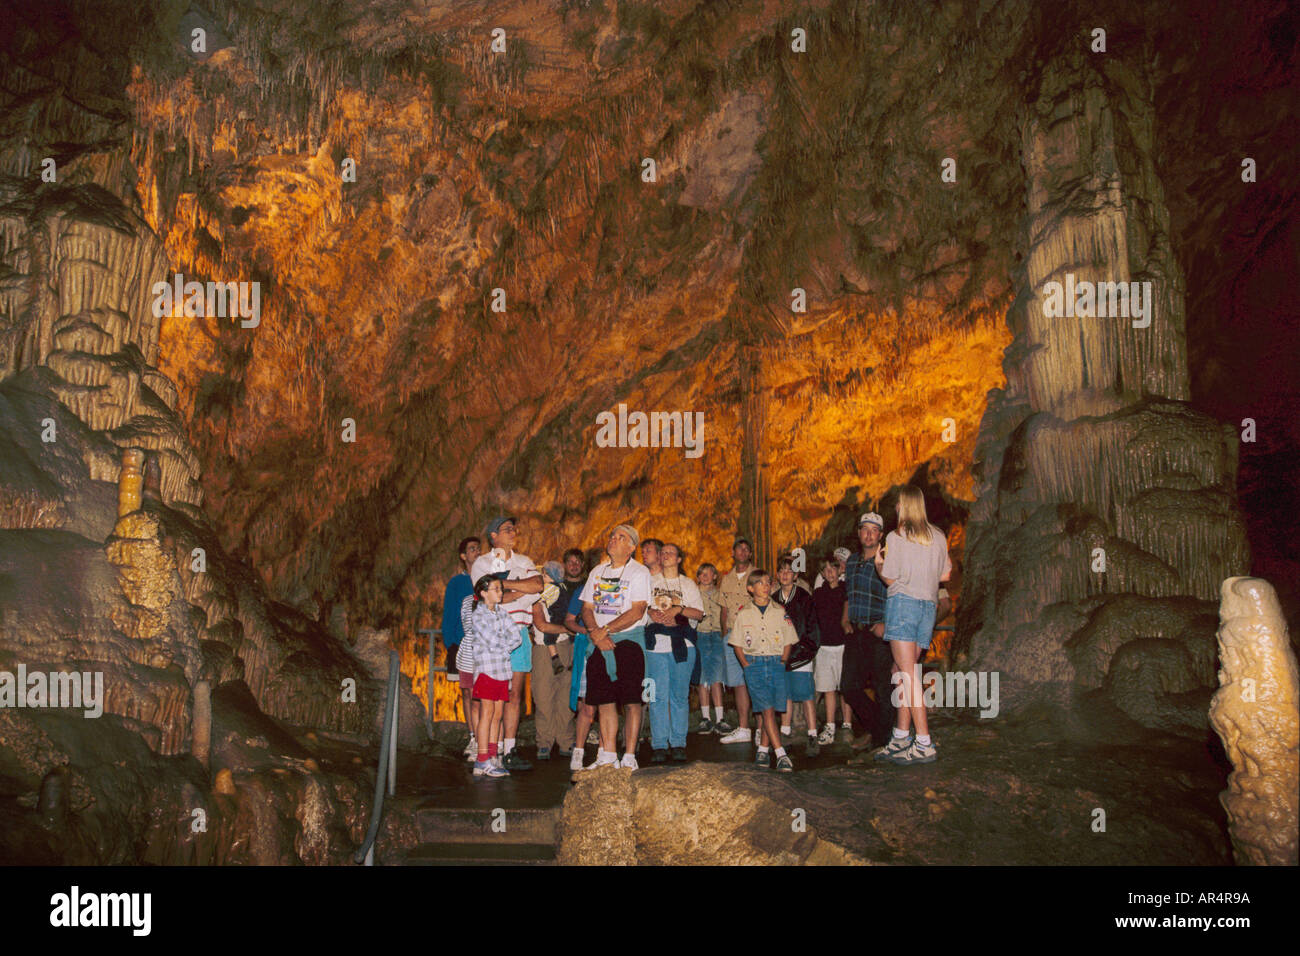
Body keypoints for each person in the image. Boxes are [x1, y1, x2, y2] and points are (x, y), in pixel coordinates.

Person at [875, 486, 951, 765]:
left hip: (904, 605)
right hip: (927, 609)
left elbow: (890, 579)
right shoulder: (940, 536)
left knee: (907, 675)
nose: (895, 509)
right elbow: (946, 573)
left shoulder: (896, 537)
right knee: (902, 670)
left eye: (897, 505)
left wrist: (879, 563)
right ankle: (900, 737)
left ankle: (923, 742)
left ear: (904, 506)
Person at [469, 516, 543, 771]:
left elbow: (538, 585)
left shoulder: (524, 561)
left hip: (520, 631)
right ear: (493, 536)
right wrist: (520, 589)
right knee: (489, 701)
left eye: (513, 528)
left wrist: (504, 584)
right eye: (506, 529)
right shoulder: (482, 563)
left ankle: (508, 749)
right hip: (494, 631)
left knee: (513, 694)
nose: (513, 532)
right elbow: (492, 597)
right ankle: (487, 752)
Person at [579, 524, 652, 770]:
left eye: (621, 538)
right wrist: (595, 633)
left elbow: (637, 610)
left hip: (629, 639)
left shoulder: (639, 573)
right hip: (600, 641)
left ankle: (629, 755)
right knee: (604, 699)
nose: (614, 539)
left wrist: (605, 630)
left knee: (631, 699)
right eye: (612, 536)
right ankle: (608, 754)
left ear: (632, 548)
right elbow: (586, 608)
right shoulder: (597, 572)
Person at [729, 570, 796, 772]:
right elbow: (737, 643)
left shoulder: (780, 611)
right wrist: (746, 665)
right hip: (755, 664)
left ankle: (763, 750)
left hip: (775, 663)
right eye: (759, 583)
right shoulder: (744, 613)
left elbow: (788, 638)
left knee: (772, 708)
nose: (765, 586)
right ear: (750, 588)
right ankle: (781, 754)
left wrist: (783, 660)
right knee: (766, 707)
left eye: (768, 582)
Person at [645, 542, 703, 763]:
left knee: (679, 695)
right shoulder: (650, 582)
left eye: (672, 553)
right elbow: (640, 607)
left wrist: (679, 609)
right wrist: (650, 611)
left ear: (679, 559)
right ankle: (659, 743)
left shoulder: (688, 585)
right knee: (656, 696)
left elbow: (698, 613)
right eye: (664, 552)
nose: (667, 555)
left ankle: (678, 742)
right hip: (656, 645)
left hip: (682, 644)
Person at [841, 513, 893, 752]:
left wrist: (886, 624)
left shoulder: (888, 560)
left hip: (878, 633)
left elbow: (896, 595)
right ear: (859, 532)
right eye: (865, 529)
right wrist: (845, 618)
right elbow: (849, 595)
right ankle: (879, 731)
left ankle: (883, 741)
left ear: (881, 535)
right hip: (857, 632)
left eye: (875, 530)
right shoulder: (851, 562)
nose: (869, 534)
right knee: (849, 687)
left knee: (883, 688)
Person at [469, 575, 521, 778]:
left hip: (502, 669)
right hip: (487, 670)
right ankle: (481, 760)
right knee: (487, 713)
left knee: (498, 715)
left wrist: (503, 646)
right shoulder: (478, 616)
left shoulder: (502, 613)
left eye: (500, 589)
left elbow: (515, 636)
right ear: (483, 593)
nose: (500, 593)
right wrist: (504, 645)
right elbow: (491, 640)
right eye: (496, 589)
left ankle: (492, 756)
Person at [530, 560, 579, 760]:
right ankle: (545, 741)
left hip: (565, 646)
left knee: (565, 693)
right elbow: (542, 625)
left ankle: (566, 740)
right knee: (543, 695)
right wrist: (568, 628)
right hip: (543, 649)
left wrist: (567, 631)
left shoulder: (561, 592)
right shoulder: (536, 597)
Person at [773, 554, 820, 755]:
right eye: (782, 571)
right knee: (785, 694)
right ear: (777, 574)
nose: (785, 574)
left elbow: (812, 628)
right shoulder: (773, 599)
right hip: (781, 655)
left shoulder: (803, 597)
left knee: (806, 694)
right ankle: (785, 732)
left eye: (789, 571)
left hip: (801, 654)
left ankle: (812, 735)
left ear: (796, 575)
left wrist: (805, 651)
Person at [441, 536, 481, 758]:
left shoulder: (488, 580)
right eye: (472, 549)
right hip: (461, 645)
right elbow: (449, 614)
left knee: (482, 693)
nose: (477, 552)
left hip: (484, 646)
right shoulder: (457, 583)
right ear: (463, 556)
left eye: (478, 548)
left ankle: (487, 737)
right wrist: (451, 644)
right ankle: (473, 736)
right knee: (467, 692)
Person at [717, 538, 757, 744]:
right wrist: (725, 633)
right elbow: (724, 609)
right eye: (739, 549)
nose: (742, 552)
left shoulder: (758, 575)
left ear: (750, 554)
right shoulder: (727, 579)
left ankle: (761, 728)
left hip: (753, 635)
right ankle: (744, 728)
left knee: (756, 680)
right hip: (732, 635)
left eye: (746, 549)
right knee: (738, 683)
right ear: (732, 553)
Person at [811, 555, 852, 747]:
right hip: (825, 646)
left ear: (839, 570)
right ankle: (829, 726)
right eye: (825, 569)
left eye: (833, 568)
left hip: (843, 645)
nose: (830, 572)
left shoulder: (846, 591)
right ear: (822, 573)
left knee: (844, 687)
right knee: (827, 688)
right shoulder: (818, 593)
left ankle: (847, 723)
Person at [566, 581, 596, 771]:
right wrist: (587, 630)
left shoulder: (624, 585)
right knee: (587, 703)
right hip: (588, 645)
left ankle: (605, 751)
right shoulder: (584, 589)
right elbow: (569, 619)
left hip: (613, 643)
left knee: (607, 703)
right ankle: (579, 751)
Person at [693, 562, 726, 733]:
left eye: (709, 573)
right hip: (701, 634)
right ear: (698, 577)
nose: (705, 577)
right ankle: (706, 717)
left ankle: (720, 718)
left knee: (717, 676)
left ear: (715, 576)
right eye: (701, 574)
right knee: (703, 676)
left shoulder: (720, 594)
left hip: (717, 635)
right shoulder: (694, 594)